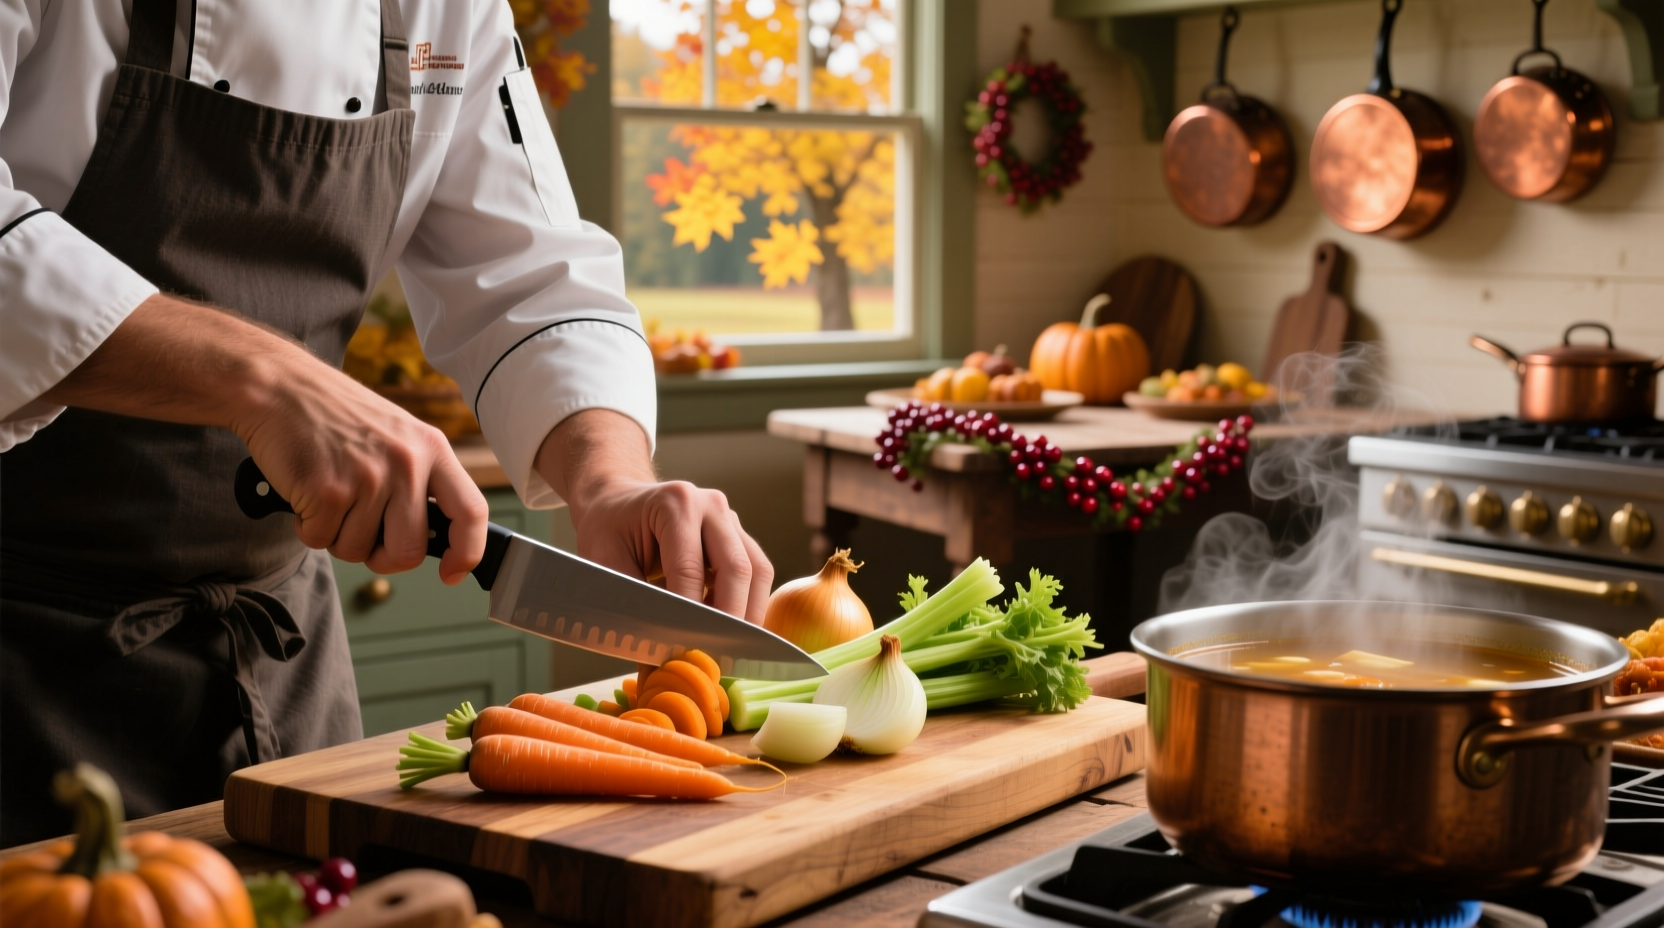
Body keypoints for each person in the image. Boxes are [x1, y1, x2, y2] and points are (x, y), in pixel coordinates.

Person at [0, 0, 773, 845]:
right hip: (22, 661)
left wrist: (611, 478)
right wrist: (265, 378)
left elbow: (530, 273)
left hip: (281, 667)